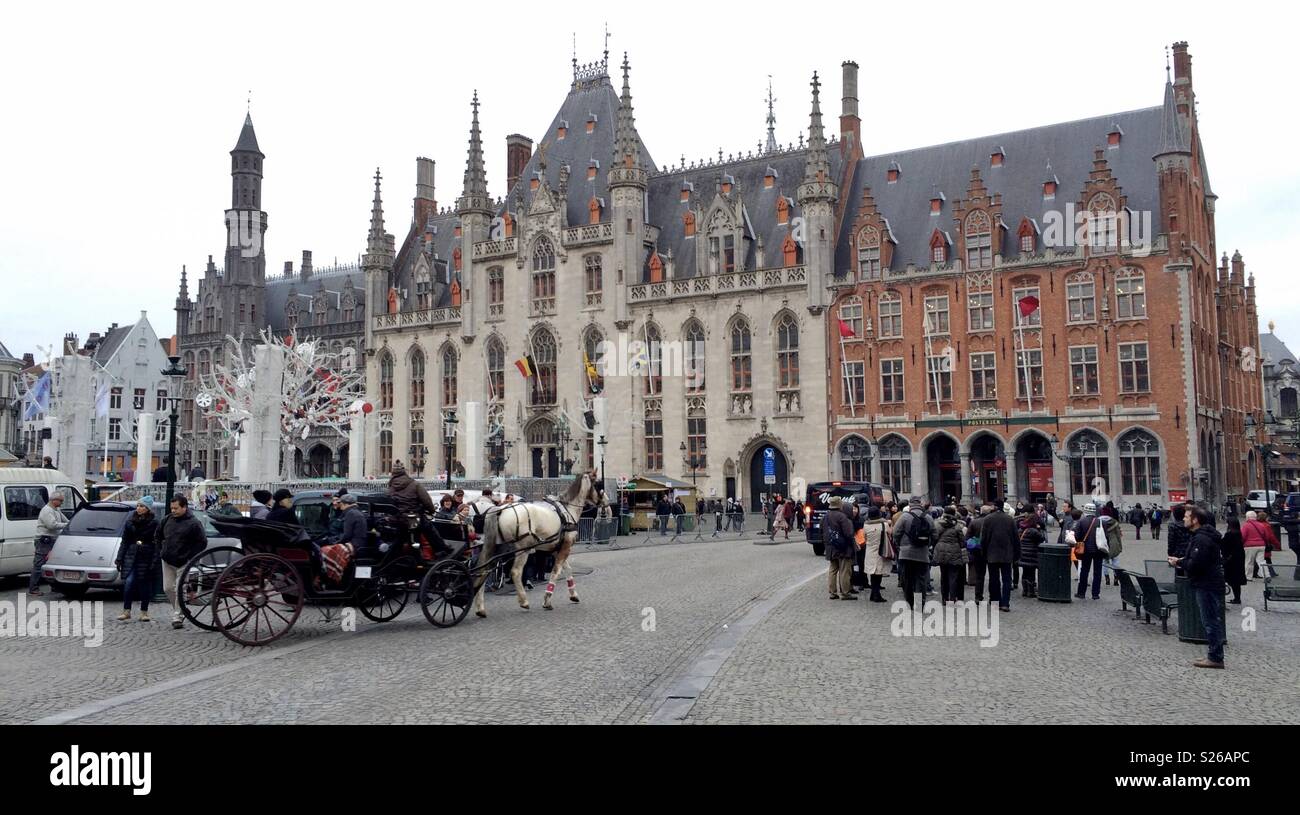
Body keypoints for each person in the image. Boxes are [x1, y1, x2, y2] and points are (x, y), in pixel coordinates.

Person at [1170, 506, 1226, 669]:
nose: (1184, 519)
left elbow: (1196, 564)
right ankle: (1214, 654)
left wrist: (1179, 562)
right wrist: (1183, 559)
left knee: (1210, 621)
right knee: (1210, 619)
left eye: (1187, 517)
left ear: (1195, 520)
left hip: (1206, 583)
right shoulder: (1203, 536)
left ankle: (1215, 657)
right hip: (1209, 582)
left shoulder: (1201, 539)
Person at [157, 495, 208, 629]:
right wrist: (161, 551)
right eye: (172, 508)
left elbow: (202, 542)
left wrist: (189, 556)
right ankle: (181, 608)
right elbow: (158, 536)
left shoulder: (193, 523)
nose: (173, 511)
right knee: (167, 588)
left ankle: (177, 616)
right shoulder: (167, 520)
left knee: (180, 589)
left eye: (176, 508)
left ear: (184, 507)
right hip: (167, 560)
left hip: (183, 561)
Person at [115, 499, 161, 621]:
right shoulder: (130, 521)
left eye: (142, 506)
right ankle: (126, 611)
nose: (139, 508)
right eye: (138, 506)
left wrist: (154, 559)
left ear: (148, 508)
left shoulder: (154, 523)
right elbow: (124, 541)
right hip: (131, 555)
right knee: (129, 583)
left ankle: (144, 612)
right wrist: (119, 558)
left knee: (144, 585)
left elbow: (157, 543)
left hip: (146, 556)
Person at [892, 496, 936, 609]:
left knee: (907, 579)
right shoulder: (928, 517)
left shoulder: (904, 517)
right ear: (921, 504)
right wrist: (928, 544)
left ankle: (910, 602)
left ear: (910, 505)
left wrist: (900, 545)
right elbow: (935, 534)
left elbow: (896, 533)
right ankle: (919, 603)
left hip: (906, 554)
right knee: (921, 579)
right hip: (922, 553)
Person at [979, 501, 1017, 612]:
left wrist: (983, 552)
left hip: (992, 554)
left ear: (994, 507)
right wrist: (1016, 554)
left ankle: (996, 601)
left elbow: (983, 539)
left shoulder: (988, 519)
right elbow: (1016, 539)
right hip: (1007, 554)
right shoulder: (1010, 520)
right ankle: (1005, 603)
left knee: (994, 579)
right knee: (1006, 580)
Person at [30, 493, 70, 595]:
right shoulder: (47, 510)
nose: (62, 503)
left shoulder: (56, 510)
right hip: (44, 540)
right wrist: (67, 525)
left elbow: (66, 520)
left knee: (53, 564)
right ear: (54, 500)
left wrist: (71, 522)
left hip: (53, 539)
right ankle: (33, 588)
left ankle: (54, 586)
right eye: (60, 501)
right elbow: (51, 525)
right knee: (39, 564)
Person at [823, 496, 857, 600]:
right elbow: (848, 533)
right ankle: (845, 593)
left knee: (833, 570)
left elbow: (822, 530)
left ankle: (832, 592)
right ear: (840, 505)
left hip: (831, 546)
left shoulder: (826, 516)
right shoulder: (842, 517)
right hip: (843, 547)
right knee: (844, 571)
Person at [934, 506, 967, 605]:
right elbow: (962, 541)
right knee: (953, 576)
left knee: (944, 576)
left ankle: (944, 598)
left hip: (941, 552)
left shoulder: (938, 524)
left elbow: (934, 537)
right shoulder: (957, 526)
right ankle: (952, 598)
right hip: (954, 552)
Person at [1073, 503, 1105, 600]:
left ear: (1085, 510)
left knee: (1084, 570)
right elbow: (1105, 536)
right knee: (1097, 572)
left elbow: (1077, 536)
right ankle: (1095, 594)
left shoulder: (1081, 522)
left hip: (1086, 550)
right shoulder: (1100, 522)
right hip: (1099, 550)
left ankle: (1081, 592)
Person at [862, 505, 893, 602]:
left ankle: (873, 593)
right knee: (878, 574)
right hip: (881, 550)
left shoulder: (866, 525)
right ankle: (876, 594)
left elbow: (865, 537)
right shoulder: (884, 524)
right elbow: (890, 535)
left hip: (870, 551)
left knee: (872, 573)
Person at [1240, 510, 1277, 582]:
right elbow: (1266, 536)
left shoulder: (1246, 526)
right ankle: (1266, 575)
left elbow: (1243, 536)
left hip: (1249, 546)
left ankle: (1248, 577)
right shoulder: (1261, 525)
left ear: (1247, 517)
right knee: (1261, 561)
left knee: (1249, 562)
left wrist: (1241, 544)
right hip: (1261, 545)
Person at [1017, 513, 1045, 599]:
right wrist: (1039, 529)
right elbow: (1041, 538)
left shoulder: (1022, 529)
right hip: (1031, 554)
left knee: (1025, 572)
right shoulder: (1033, 531)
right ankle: (1031, 591)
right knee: (1031, 573)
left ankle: (1025, 590)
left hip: (1023, 554)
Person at [967, 505, 991, 603]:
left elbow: (967, 537)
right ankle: (992, 596)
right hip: (990, 551)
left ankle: (978, 596)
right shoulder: (991, 522)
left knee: (979, 576)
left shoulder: (974, 522)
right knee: (993, 575)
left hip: (977, 551)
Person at [1221, 516, 1245, 605]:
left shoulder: (1230, 534)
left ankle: (1235, 598)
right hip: (1238, 559)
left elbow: (1224, 545)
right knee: (1236, 581)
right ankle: (1237, 598)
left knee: (1231, 579)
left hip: (1231, 560)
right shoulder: (1238, 533)